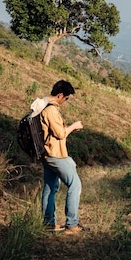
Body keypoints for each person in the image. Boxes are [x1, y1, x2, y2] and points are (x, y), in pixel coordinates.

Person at [40, 80, 85, 233]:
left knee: (50, 188)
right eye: (66, 98)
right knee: (75, 185)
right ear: (60, 95)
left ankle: (48, 223)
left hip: (47, 154)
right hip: (56, 155)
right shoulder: (51, 110)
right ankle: (72, 224)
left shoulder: (44, 106)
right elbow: (60, 134)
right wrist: (73, 126)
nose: (66, 101)